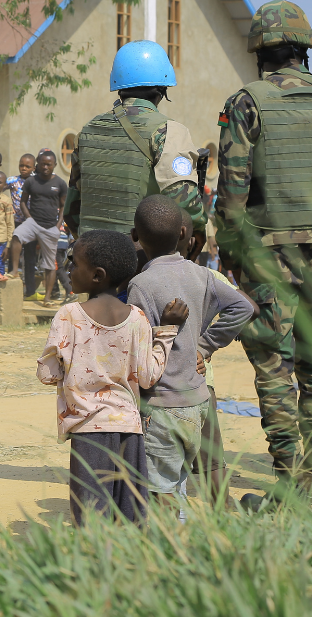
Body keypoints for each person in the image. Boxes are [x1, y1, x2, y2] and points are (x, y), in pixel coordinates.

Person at [214, 0, 312, 502]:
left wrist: (229, 251)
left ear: (260, 52)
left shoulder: (247, 102)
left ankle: (286, 475)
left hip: (267, 251)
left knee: (271, 362)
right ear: (305, 49)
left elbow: (232, 191)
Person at [37, 229, 186, 524]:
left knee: (91, 516)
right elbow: (148, 376)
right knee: (128, 516)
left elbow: (47, 374)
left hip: (88, 430)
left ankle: (94, 567)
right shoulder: (138, 318)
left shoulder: (68, 315)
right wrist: (167, 331)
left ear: (97, 275)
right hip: (130, 430)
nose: (68, 269)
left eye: (74, 263)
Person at [127, 195, 254, 513]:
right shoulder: (203, 276)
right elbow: (244, 306)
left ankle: (174, 549)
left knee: (164, 490)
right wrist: (206, 345)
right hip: (198, 402)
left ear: (136, 237)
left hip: (162, 405)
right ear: (184, 234)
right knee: (190, 476)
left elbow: (138, 348)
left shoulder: (141, 285)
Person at [65, 40, 204, 257]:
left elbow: (72, 211)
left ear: (119, 87)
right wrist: (200, 232)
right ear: (162, 89)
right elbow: (184, 203)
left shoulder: (88, 131)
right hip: (140, 259)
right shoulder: (169, 131)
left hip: (92, 259)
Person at [177, 208, 254, 508]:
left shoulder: (143, 278)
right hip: (200, 381)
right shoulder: (210, 277)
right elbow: (248, 307)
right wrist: (205, 346)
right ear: (195, 242)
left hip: (157, 383)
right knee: (210, 456)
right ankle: (222, 512)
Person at [7, 150, 67, 306]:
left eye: (49, 164)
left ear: (54, 165)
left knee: (49, 265)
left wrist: (58, 225)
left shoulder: (60, 183)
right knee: (17, 236)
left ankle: (47, 298)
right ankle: (14, 271)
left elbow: (63, 206)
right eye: (43, 164)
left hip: (50, 227)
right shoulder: (31, 182)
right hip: (33, 222)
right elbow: (22, 201)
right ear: (38, 165)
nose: (46, 167)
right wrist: (29, 218)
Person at [7, 153, 39, 295]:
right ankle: (9, 288)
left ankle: (30, 290)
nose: (24, 168)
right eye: (21, 165)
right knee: (12, 255)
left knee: (30, 258)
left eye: (27, 166)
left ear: (33, 167)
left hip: (31, 224)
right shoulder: (13, 181)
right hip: (16, 223)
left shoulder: (37, 182)